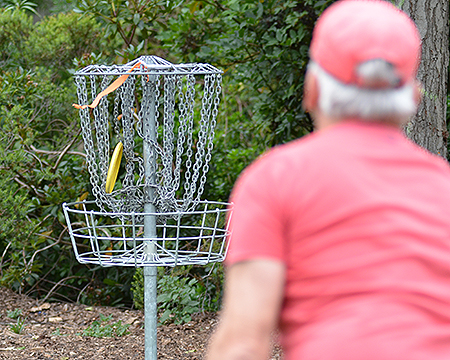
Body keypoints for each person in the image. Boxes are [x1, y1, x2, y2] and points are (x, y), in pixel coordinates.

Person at [206, 1, 450, 360]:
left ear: (313, 88)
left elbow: (243, 345)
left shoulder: (275, 181)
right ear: (413, 97)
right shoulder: (443, 188)